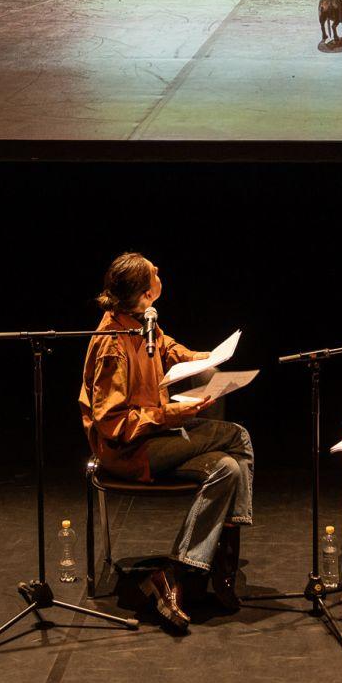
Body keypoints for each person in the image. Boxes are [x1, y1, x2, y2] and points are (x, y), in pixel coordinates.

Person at [79, 252, 253, 632]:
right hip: (128, 451)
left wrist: (207, 358)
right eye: (155, 273)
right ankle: (220, 563)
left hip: (152, 438)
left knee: (226, 468)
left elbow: (171, 350)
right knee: (238, 437)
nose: (161, 275)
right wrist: (168, 415)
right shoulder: (113, 343)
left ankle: (175, 574)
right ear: (145, 292)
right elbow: (111, 424)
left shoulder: (144, 321)